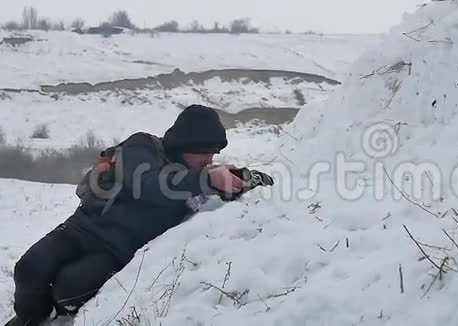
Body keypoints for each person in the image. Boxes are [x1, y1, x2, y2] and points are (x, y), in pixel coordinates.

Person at [4, 104, 274, 326]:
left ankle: (53, 316)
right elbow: (146, 183)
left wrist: (240, 182)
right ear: (184, 144)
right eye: (203, 152)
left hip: (116, 252)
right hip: (81, 228)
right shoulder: (143, 146)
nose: (209, 159)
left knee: (68, 290)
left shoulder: (196, 180)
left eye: (214, 153)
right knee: (30, 267)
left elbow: (213, 196)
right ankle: (29, 320)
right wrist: (206, 178)